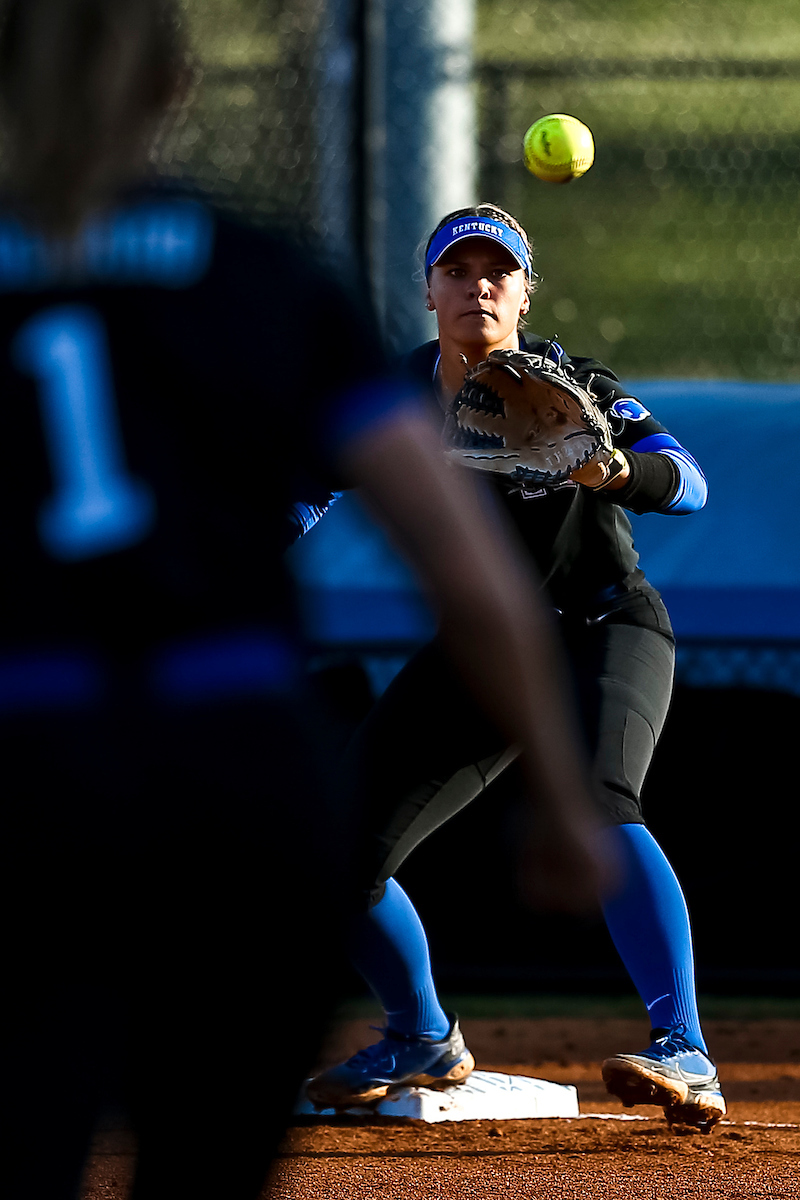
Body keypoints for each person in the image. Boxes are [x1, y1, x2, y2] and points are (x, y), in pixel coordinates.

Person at [0, 8, 604, 1198]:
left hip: (31, 770)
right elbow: (463, 567)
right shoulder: (261, 274)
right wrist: (553, 789)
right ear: (172, 84)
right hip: (235, 767)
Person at [307, 203, 726, 1133]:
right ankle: (420, 1035)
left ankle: (685, 1049)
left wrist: (613, 471)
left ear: (526, 295)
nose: (478, 286)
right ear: (428, 293)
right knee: (337, 847)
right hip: (484, 649)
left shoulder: (572, 383)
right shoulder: (396, 396)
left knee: (603, 797)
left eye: (498, 271)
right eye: (456, 271)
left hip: (604, 624)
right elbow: (308, 483)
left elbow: (691, 482)